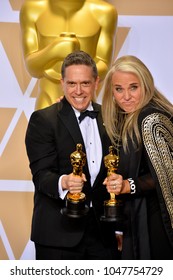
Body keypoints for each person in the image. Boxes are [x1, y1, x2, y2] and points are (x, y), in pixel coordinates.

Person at [25, 50, 119, 260]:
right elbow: (41, 175)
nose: (78, 91)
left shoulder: (112, 118)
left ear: (96, 82)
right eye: (72, 84)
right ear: (62, 83)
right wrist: (64, 182)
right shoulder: (44, 120)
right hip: (58, 238)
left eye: (85, 83)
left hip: (102, 237)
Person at [101, 55, 173, 260]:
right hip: (135, 219)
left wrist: (129, 185)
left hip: (157, 223)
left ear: (146, 85)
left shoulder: (151, 118)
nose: (126, 97)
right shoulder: (122, 119)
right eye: (119, 89)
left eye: (133, 87)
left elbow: (167, 175)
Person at [20, 0, 117, 110]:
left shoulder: (104, 12)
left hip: (83, 100)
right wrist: (54, 50)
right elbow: (32, 68)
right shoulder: (32, 9)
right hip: (48, 97)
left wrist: (77, 77)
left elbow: (104, 66)